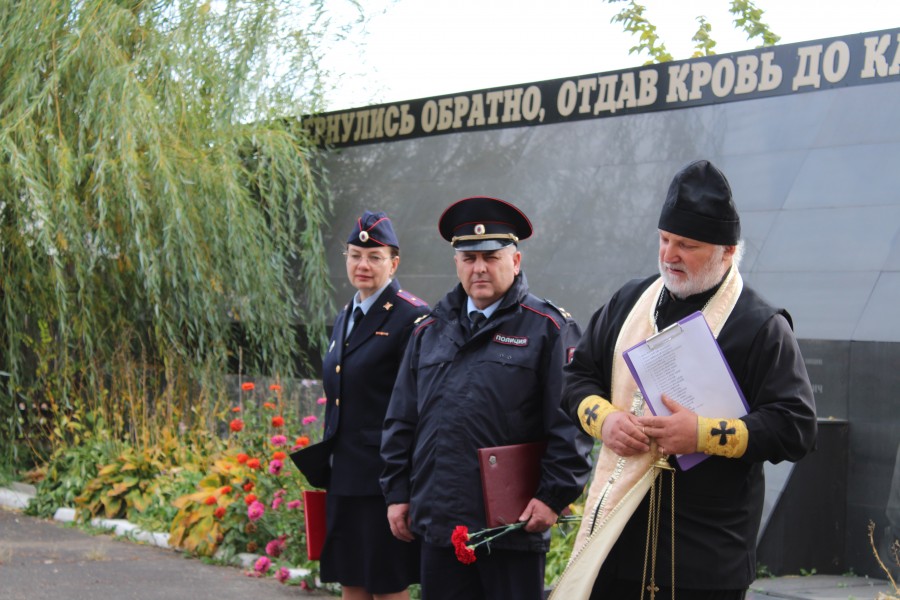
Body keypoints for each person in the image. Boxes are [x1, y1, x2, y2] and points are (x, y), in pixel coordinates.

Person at [560, 160, 818, 600]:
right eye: (664, 240)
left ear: (727, 251)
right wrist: (604, 420)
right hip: (617, 542)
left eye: (687, 244)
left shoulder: (759, 325)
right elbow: (575, 379)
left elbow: (796, 427)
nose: (669, 255)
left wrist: (702, 434)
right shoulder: (629, 301)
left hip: (704, 558)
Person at [380, 196, 592, 600]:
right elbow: (401, 419)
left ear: (515, 260)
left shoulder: (548, 329)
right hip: (441, 524)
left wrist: (552, 496)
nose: (479, 267)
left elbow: (571, 426)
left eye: (491, 256)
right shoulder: (429, 330)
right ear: (456, 263)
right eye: (468, 257)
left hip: (510, 526)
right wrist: (397, 494)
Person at [318, 210, 430, 600]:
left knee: (386, 585)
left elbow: (416, 407)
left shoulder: (412, 316)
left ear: (393, 262)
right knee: (351, 580)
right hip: (345, 476)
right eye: (354, 255)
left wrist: (403, 487)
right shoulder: (346, 315)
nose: (362, 265)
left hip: (383, 482)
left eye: (374, 257)